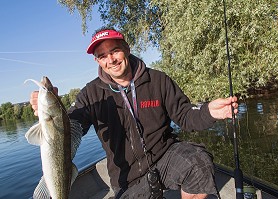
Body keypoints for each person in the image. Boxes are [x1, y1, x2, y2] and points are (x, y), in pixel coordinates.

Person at [30, 28, 238, 199]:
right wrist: (48, 111)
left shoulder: (158, 80)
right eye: (102, 56)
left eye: (114, 51)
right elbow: (72, 127)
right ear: (97, 61)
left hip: (165, 156)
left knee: (198, 162)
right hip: (127, 176)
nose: (110, 59)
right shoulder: (91, 94)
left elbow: (185, 116)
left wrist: (209, 112)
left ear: (127, 49)